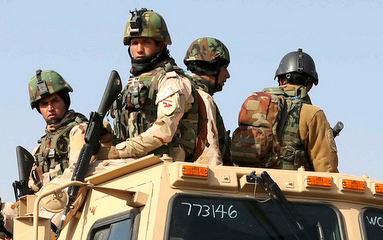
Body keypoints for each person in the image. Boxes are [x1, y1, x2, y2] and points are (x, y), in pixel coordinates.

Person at [105, 9, 209, 164]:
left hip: (162, 162)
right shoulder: (132, 83)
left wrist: (117, 151)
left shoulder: (171, 80)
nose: (139, 49)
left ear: (160, 46)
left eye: (146, 42)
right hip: (132, 161)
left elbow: (165, 130)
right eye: (134, 43)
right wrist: (106, 138)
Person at [240, 49, 338, 172]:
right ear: (310, 84)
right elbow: (326, 166)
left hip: (250, 183)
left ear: (280, 80)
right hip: (289, 188)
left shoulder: (255, 105)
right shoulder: (312, 113)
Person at [27, 70, 88, 192]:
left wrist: (47, 185)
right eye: (44, 104)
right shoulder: (39, 149)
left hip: (69, 196)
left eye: (55, 101)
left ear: (64, 101)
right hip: (46, 199)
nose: (50, 108)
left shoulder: (78, 131)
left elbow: (76, 172)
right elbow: (32, 185)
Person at [183, 37, 232, 164]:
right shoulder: (203, 98)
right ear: (213, 67)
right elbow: (211, 158)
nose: (227, 75)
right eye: (224, 68)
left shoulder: (181, 90)